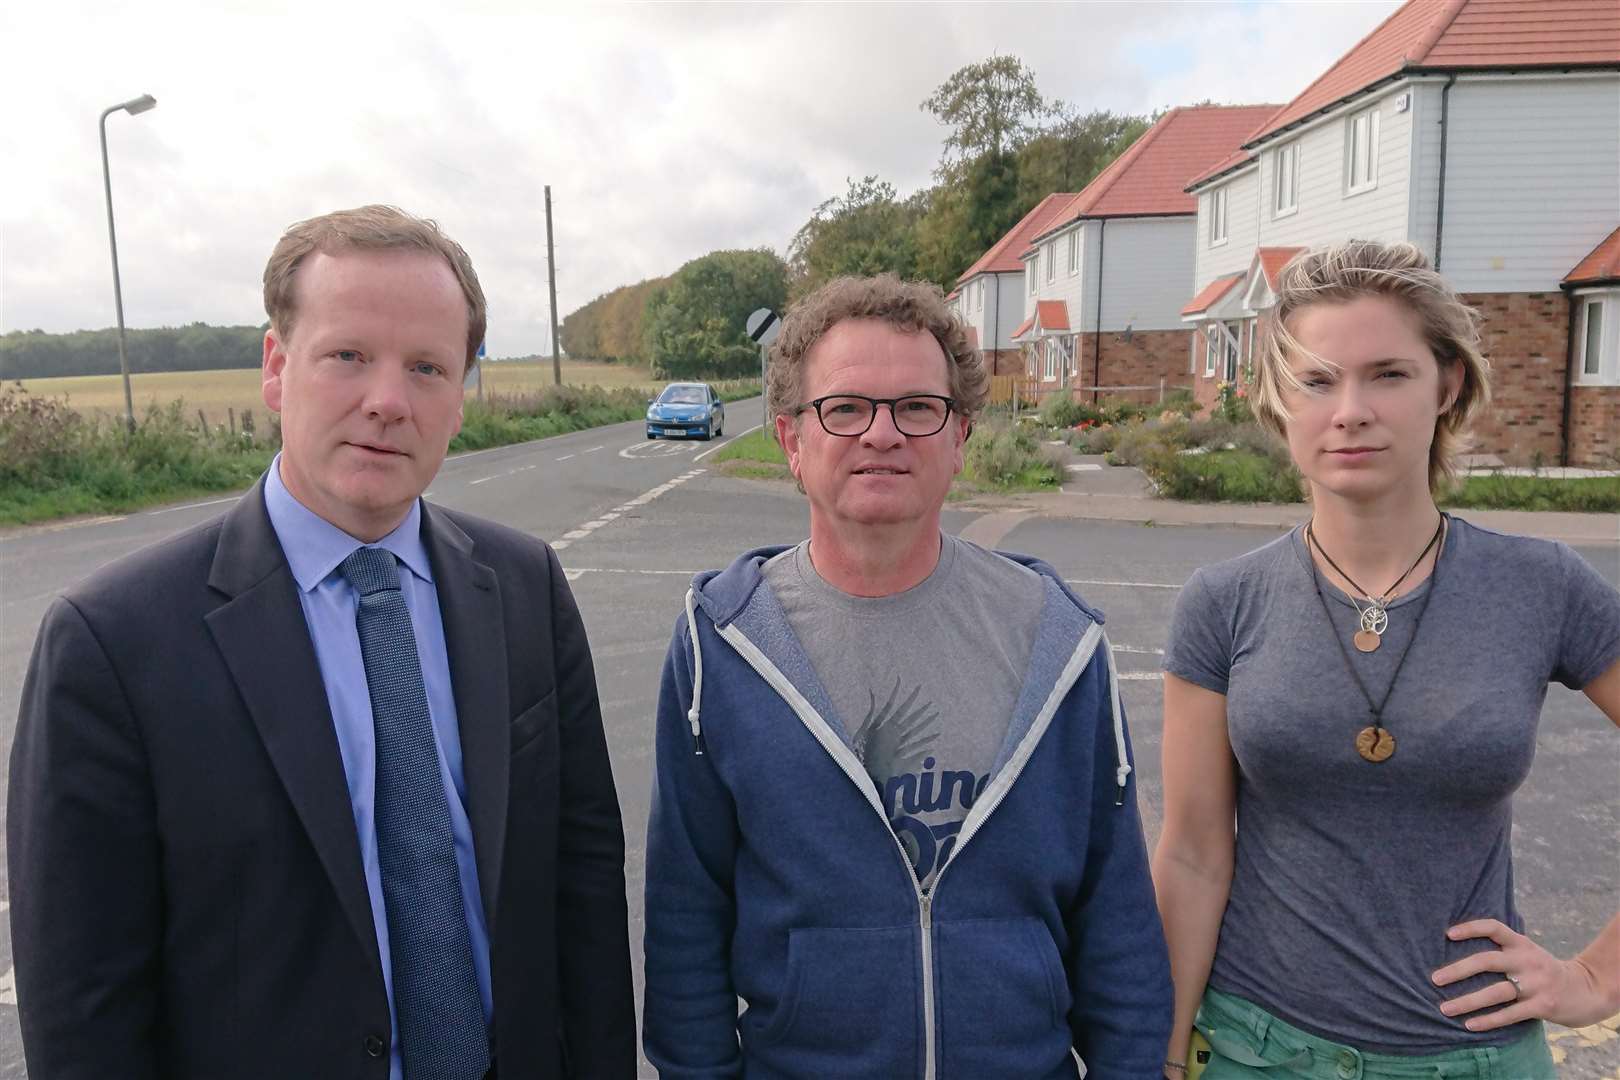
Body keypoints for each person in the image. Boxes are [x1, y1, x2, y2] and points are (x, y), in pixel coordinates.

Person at [8, 205, 637, 1079]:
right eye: (348, 356)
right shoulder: (111, 642)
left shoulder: (523, 586)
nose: (387, 400)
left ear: (461, 394)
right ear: (276, 367)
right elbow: (83, 1004)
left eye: (426, 367)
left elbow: (584, 887)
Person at [642, 274, 1173, 1078]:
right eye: (846, 408)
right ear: (791, 440)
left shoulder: (1055, 638)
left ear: (959, 437)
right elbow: (687, 920)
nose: (882, 434)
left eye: (917, 408)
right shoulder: (722, 642)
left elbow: (1118, 915)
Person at [1154, 239, 1620, 1080]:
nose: (1351, 410)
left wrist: (1596, 977)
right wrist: (1168, 1048)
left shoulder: (1542, 585)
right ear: (1277, 400)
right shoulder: (1223, 602)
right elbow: (1192, 851)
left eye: (1389, 375)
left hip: (1476, 1060)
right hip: (1257, 1053)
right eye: (1318, 380)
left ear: (1446, 386)